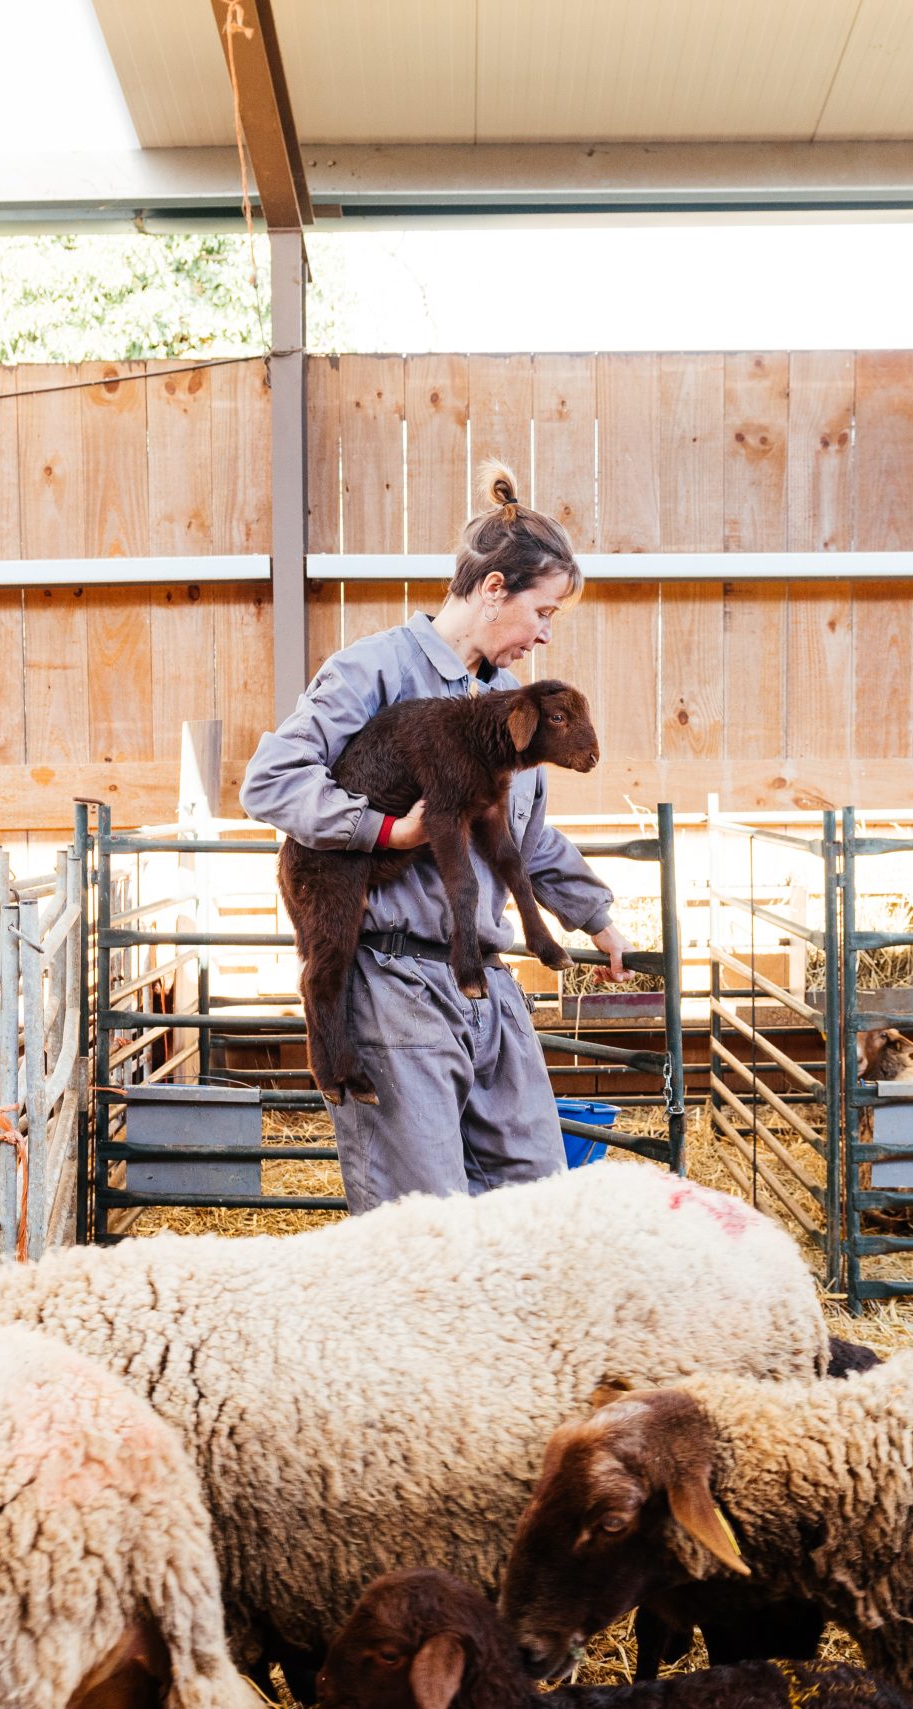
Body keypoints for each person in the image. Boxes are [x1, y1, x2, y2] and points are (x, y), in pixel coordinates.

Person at [241, 463, 631, 1214]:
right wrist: (384, 830)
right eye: (541, 612)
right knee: (425, 1232)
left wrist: (596, 915)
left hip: (489, 988)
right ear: (493, 589)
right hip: (396, 986)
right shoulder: (373, 672)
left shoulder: (507, 707)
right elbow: (270, 779)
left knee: (540, 1204)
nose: (545, 634)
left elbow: (526, 836)